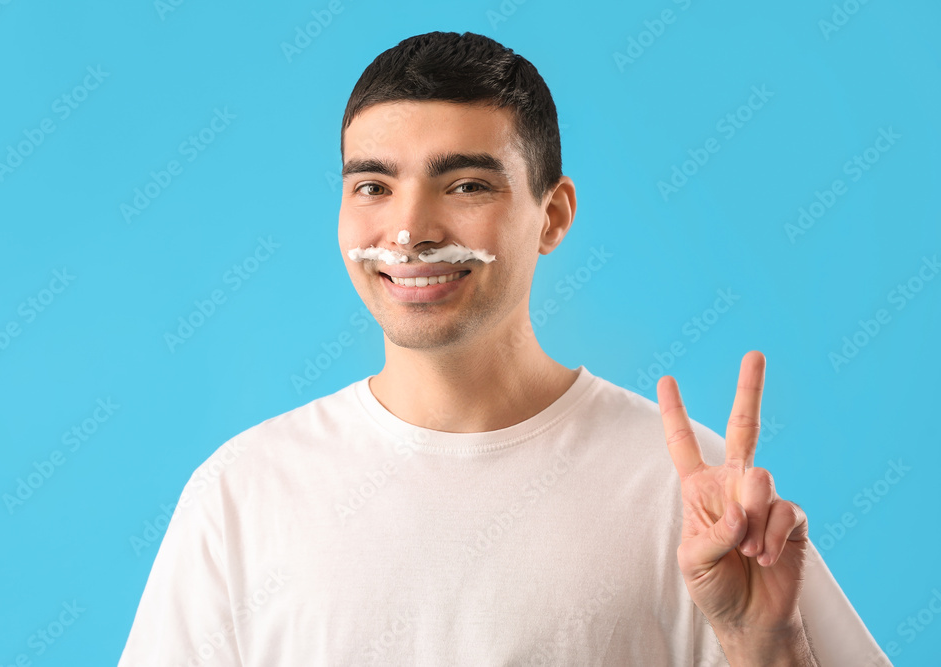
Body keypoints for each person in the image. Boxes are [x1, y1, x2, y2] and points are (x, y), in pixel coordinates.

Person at [118, 31, 891, 666]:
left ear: (552, 217)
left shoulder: (696, 500)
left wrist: (768, 644)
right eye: (373, 186)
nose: (410, 229)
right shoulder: (241, 494)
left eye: (465, 186)